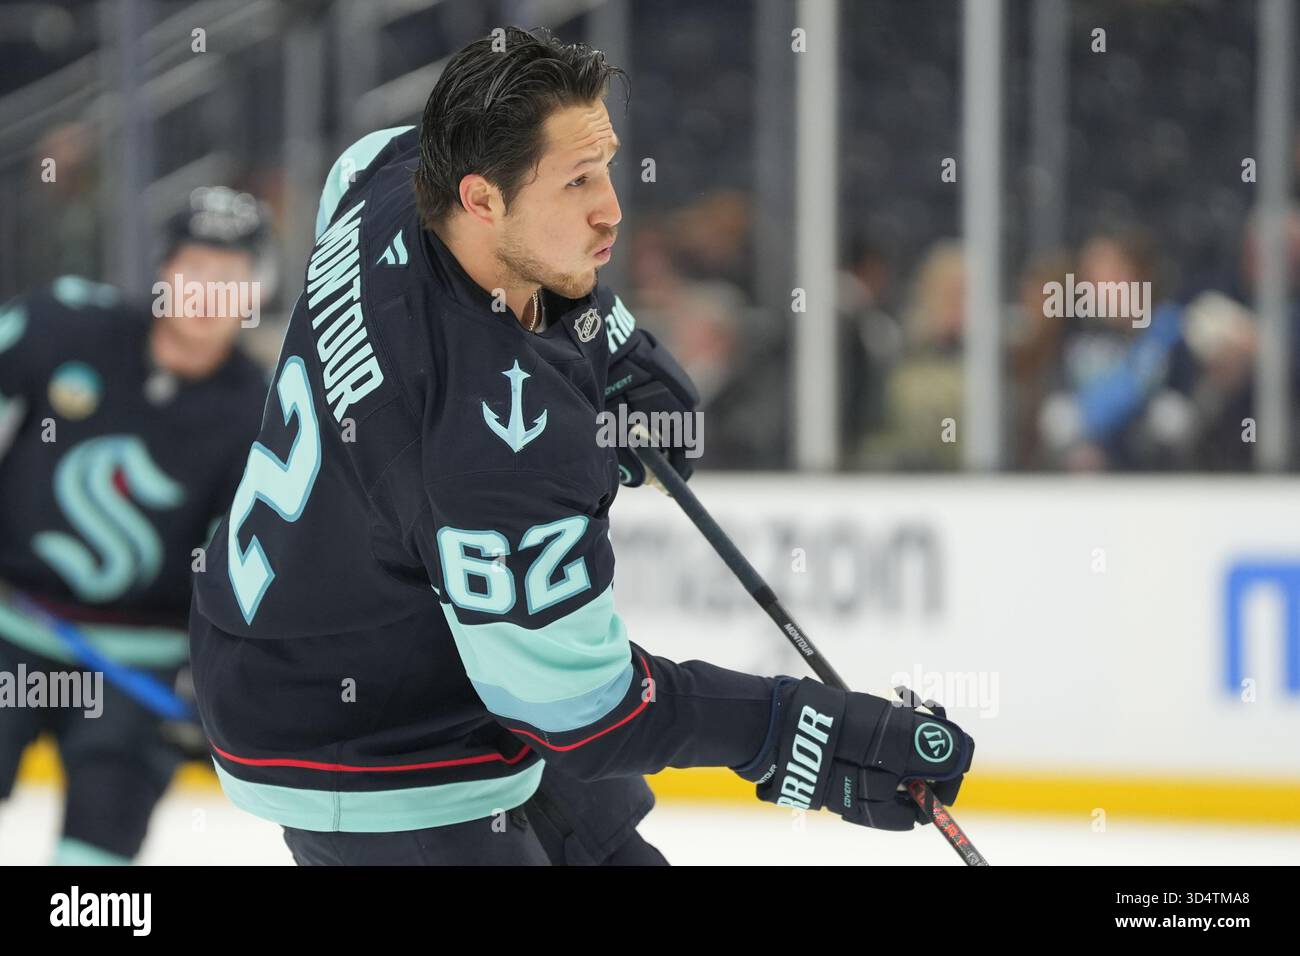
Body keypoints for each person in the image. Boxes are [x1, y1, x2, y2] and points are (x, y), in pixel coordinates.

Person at [189, 26, 975, 866]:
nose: (613, 208)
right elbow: (589, 713)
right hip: (359, 737)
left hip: (389, 634)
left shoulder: (393, 172)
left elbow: (369, 174)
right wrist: (800, 731)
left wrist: (604, 341)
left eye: (605, 166)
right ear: (483, 199)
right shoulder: (491, 446)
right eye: (576, 182)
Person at [0, 186, 269, 864]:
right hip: (9, 631)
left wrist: (215, 676)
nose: (208, 293)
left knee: (94, 874)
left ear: (256, 291)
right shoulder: (61, 326)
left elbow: (247, 565)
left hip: (135, 671)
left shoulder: (263, 416)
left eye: (230, 276)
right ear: (161, 270)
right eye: (195, 269)